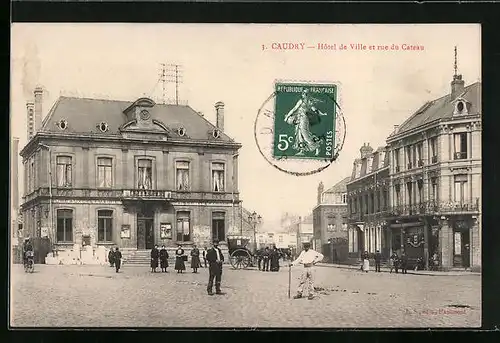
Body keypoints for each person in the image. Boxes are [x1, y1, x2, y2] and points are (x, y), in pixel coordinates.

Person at [283, 89, 328, 156]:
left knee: (305, 135)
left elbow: (315, 110)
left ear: (307, 94)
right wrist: (288, 116)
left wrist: (322, 114)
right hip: (298, 119)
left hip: (303, 119)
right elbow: (294, 109)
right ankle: (302, 151)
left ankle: (317, 146)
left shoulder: (308, 102)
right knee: (299, 135)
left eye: (305, 93)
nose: (303, 94)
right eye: (303, 93)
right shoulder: (302, 101)